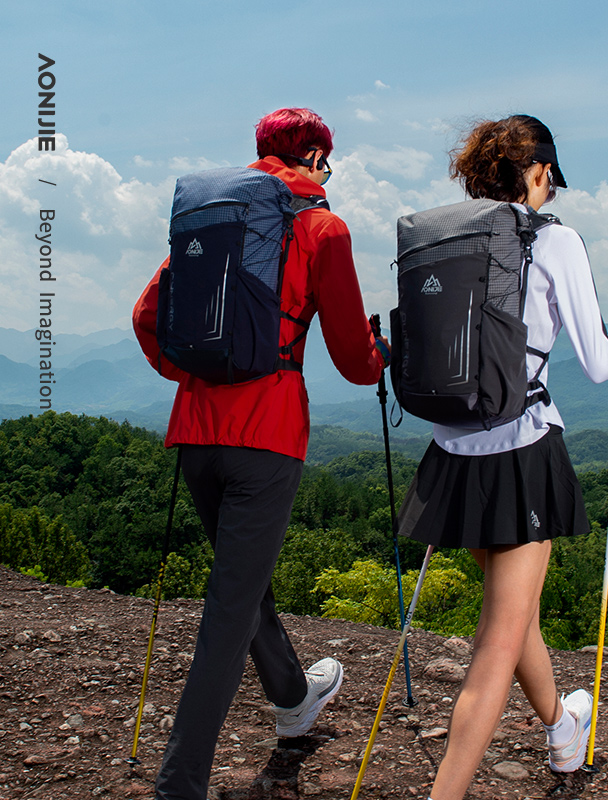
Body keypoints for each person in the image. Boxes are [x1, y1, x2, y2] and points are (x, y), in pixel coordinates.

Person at [132, 107, 389, 800]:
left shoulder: (212, 221)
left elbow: (145, 316)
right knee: (227, 608)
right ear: (311, 156)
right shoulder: (321, 226)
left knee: (244, 591)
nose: (326, 172)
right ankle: (178, 785)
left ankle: (294, 700)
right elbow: (352, 359)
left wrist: (191, 376)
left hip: (195, 434)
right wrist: (382, 355)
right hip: (267, 440)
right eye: (325, 160)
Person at [395, 114, 608, 800]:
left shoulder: (447, 237)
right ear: (537, 171)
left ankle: (565, 732)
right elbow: (599, 364)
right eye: (548, 178)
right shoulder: (552, 240)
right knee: (496, 645)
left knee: (517, 615)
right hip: (522, 450)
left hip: (451, 452)